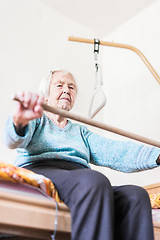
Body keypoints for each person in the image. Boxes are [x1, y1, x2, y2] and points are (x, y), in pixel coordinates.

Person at [3, 69, 160, 240]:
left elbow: (115, 151)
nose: (66, 90)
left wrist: (156, 156)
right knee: (94, 180)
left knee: (136, 196)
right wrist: (18, 121)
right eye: (59, 85)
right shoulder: (36, 118)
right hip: (42, 170)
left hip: (77, 178)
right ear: (46, 95)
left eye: (71, 87)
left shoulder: (81, 132)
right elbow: (13, 140)